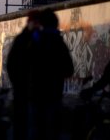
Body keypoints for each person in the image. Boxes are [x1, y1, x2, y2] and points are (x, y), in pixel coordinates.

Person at [29, 8, 74, 140]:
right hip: (54, 96)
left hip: (36, 95)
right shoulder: (59, 44)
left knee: (36, 132)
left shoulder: (34, 42)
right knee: (53, 132)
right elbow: (69, 69)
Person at [7, 9, 41, 140]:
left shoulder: (39, 39)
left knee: (32, 125)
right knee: (22, 124)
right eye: (35, 22)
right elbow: (11, 64)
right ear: (30, 23)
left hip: (35, 92)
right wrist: (17, 83)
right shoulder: (22, 40)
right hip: (22, 90)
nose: (37, 25)